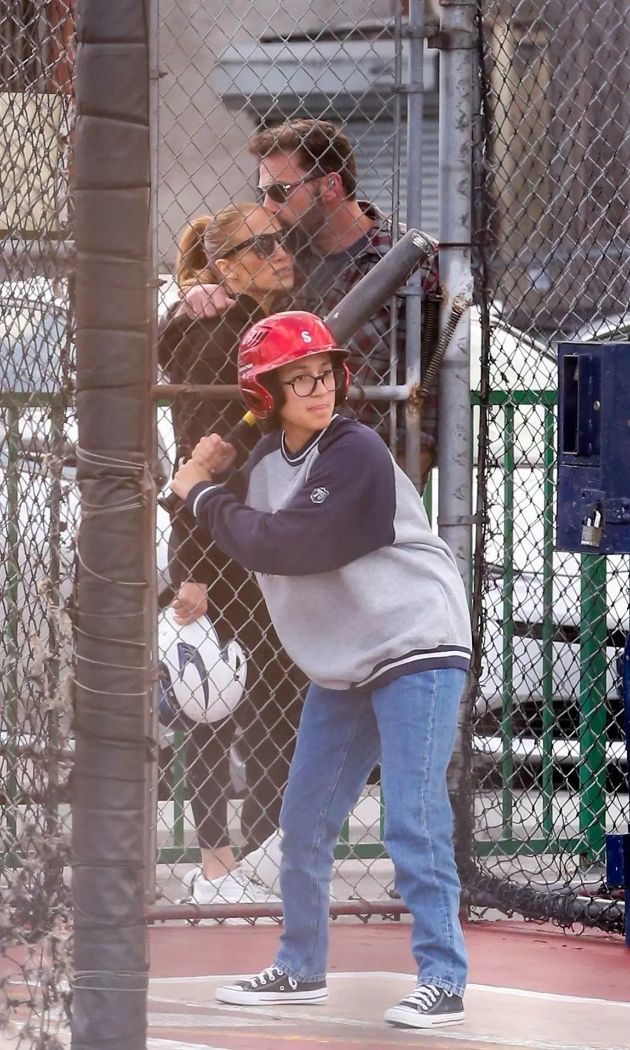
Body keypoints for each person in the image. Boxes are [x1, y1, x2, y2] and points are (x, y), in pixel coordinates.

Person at [170, 310, 471, 1030]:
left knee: (412, 814)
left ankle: (444, 977)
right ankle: (300, 966)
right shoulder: (262, 466)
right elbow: (217, 536)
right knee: (302, 822)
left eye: (324, 373)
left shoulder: (355, 451)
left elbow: (283, 545)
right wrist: (201, 476)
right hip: (345, 667)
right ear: (265, 396)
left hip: (415, 645)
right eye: (296, 379)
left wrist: (203, 492)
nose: (318, 388)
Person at [159, 204, 306, 907]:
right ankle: (218, 862)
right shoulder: (211, 329)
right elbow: (197, 460)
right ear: (223, 266)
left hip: (265, 543)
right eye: (264, 245)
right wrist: (190, 570)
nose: (282, 253)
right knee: (214, 706)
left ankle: (262, 852)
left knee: (278, 702)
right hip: (215, 547)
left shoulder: (278, 323)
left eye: (285, 240)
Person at [175, 117, 441, 485]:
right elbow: (222, 282)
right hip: (279, 472)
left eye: (280, 191)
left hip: (362, 469)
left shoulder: (403, 262)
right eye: (263, 191)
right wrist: (197, 289)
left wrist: (405, 476)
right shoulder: (281, 254)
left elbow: (434, 378)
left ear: (330, 185)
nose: (268, 205)